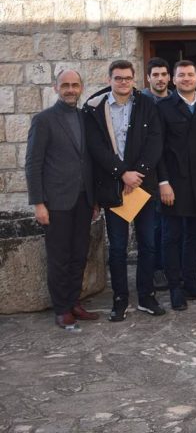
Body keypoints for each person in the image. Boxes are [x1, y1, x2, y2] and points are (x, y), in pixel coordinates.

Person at [83, 60, 164, 321]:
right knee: (117, 248)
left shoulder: (147, 105)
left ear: (133, 79)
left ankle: (147, 296)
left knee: (148, 245)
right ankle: (120, 299)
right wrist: (122, 173)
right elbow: (96, 148)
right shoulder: (95, 108)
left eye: (127, 78)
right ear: (110, 79)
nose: (123, 83)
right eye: (118, 78)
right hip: (113, 186)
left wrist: (137, 174)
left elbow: (155, 142)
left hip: (143, 187)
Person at [25, 69, 98, 329]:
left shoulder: (84, 118)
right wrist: (38, 203)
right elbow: (33, 164)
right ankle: (62, 308)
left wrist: (94, 200)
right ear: (56, 88)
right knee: (59, 256)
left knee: (79, 254)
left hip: (83, 200)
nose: (70, 89)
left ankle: (74, 301)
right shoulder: (43, 120)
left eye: (75, 85)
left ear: (81, 88)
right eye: (65, 85)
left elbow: (88, 160)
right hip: (56, 202)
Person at [157, 60, 196, 310]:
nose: (186, 78)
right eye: (181, 75)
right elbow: (158, 149)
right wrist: (163, 182)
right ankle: (175, 288)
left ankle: (191, 283)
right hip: (173, 184)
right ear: (174, 80)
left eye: (190, 75)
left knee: (194, 236)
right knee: (172, 237)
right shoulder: (163, 107)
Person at [141, 57, 171, 291]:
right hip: (152, 175)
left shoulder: (174, 100)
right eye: (156, 75)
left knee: (174, 225)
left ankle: (175, 270)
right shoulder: (141, 102)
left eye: (164, 74)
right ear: (148, 78)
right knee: (155, 226)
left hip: (175, 171)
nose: (160, 79)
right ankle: (157, 271)